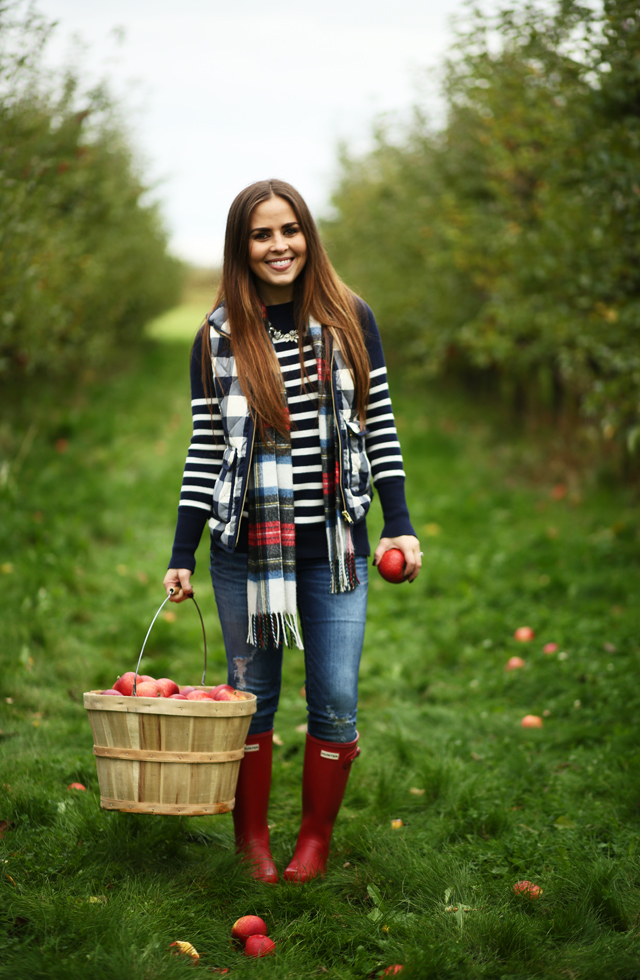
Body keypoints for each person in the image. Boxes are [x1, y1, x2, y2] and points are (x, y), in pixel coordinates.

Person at [164, 179, 421, 884]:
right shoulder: (218, 336)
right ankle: (252, 844)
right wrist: (182, 551)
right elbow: (205, 449)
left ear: (307, 234)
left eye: (289, 230)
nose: (279, 246)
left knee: (335, 698)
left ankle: (314, 840)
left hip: (335, 550)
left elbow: (380, 429)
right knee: (254, 701)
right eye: (261, 234)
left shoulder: (349, 317)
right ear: (241, 248)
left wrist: (398, 525)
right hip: (244, 552)